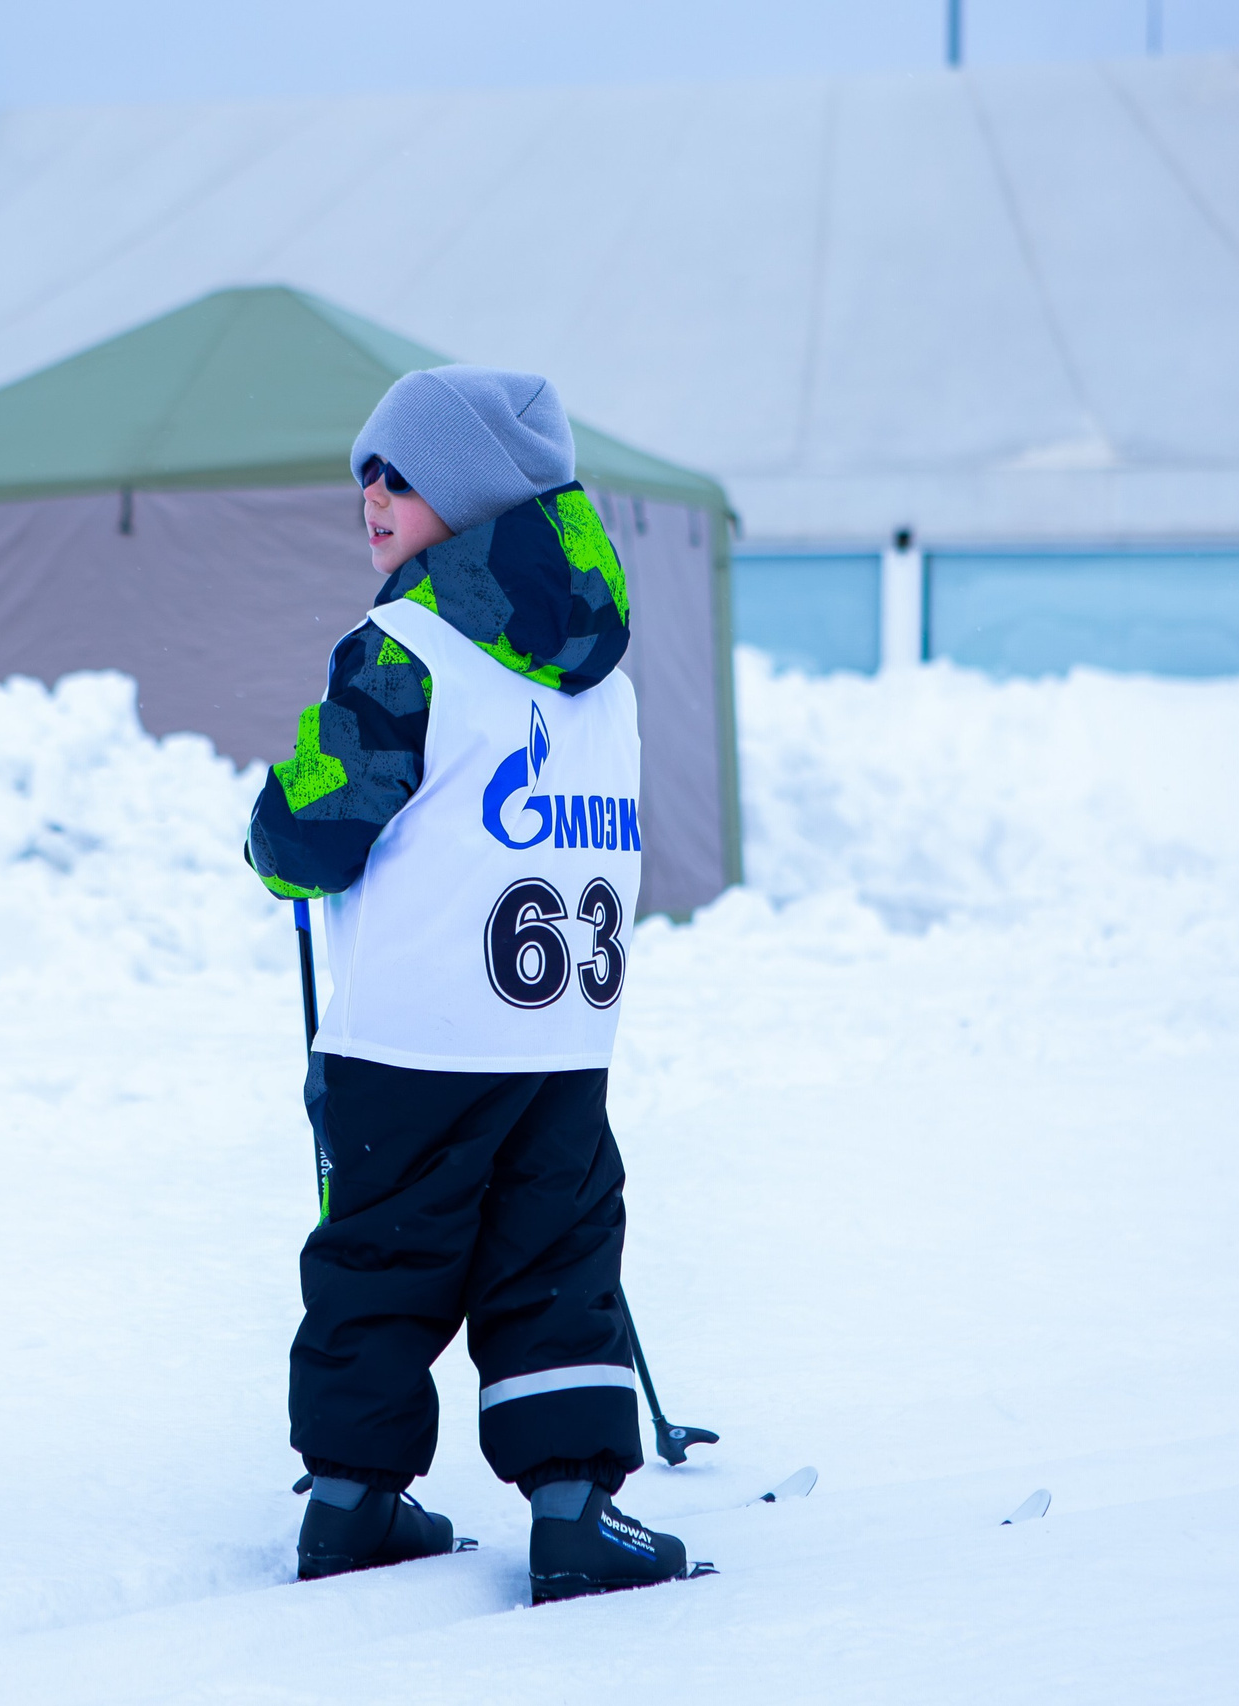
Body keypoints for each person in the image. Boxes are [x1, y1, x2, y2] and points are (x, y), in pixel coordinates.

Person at [246, 367, 699, 1603]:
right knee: (555, 1255)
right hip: (557, 1027)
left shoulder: (403, 649)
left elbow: (313, 831)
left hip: (413, 1033)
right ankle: (571, 1505)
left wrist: (268, 827)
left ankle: (351, 1496)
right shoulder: (602, 677)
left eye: (398, 474)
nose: (370, 495)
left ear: (468, 491)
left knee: (385, 1252)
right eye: (365, 476)